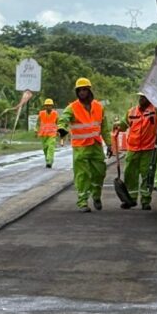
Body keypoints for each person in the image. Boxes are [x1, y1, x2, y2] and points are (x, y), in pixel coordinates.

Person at [57, 78, 111, 213]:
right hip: (80, 147)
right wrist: (62, 128)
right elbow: (63, 119)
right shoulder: (72, 107)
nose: (82, 92)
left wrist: (110, 144)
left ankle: (96, 195)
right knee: (82, 175)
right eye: (79, 90)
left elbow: (104, 128)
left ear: (89, 91)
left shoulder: (99, 107)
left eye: (84, 90)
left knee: (100, 172)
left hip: (96, 146)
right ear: (77, 92)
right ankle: (82, 202)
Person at [114, 93, 157, 210]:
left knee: (147, 175)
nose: (141, 99)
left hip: (148, 149)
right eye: (140, 97)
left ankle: (145, 200)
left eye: (144, 97)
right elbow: (124, 125)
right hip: (133, 149)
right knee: (130, 174)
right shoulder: (132, 111)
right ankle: (130, 199)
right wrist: (117, 125)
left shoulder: (155, 111)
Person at [36, 99, 59, 168]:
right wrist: (36, 130)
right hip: (43, 134)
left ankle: (49, 161)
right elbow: (38, 123)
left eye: (49, 106)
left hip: (52, 134)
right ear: (45, 106)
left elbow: (58, 123)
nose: (48, 107)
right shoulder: (41, 113)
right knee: (45, 148)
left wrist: (59, 131)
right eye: (46, 106)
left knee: (51, 147)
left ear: (52, 106)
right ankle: (47, 160)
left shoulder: (55, 113)